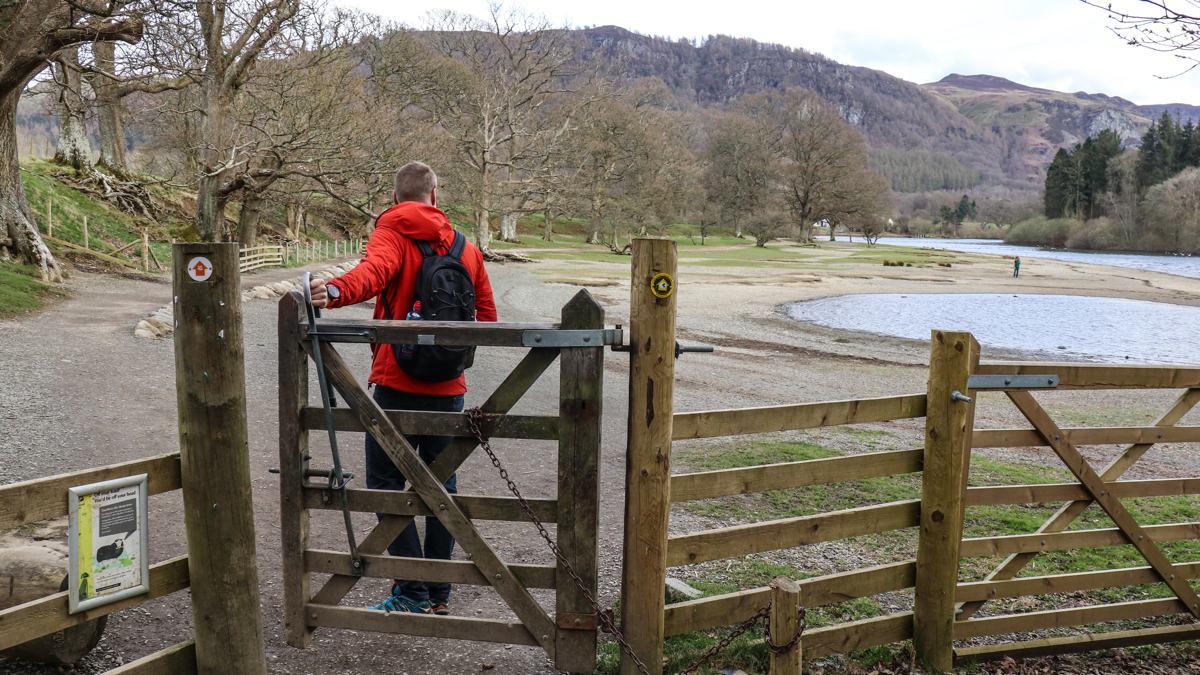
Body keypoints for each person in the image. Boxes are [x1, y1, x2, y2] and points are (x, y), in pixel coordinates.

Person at [308, 161, 497, 615]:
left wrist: (331, 292)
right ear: (436, 194)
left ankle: (411, 591)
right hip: (450, 385)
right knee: (441, 486)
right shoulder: (464, 247)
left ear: (395, 198)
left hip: (396, 383)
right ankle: (439, 593)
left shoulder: (391, 231)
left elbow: (372, 273)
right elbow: (488, 317)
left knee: (388, 484)